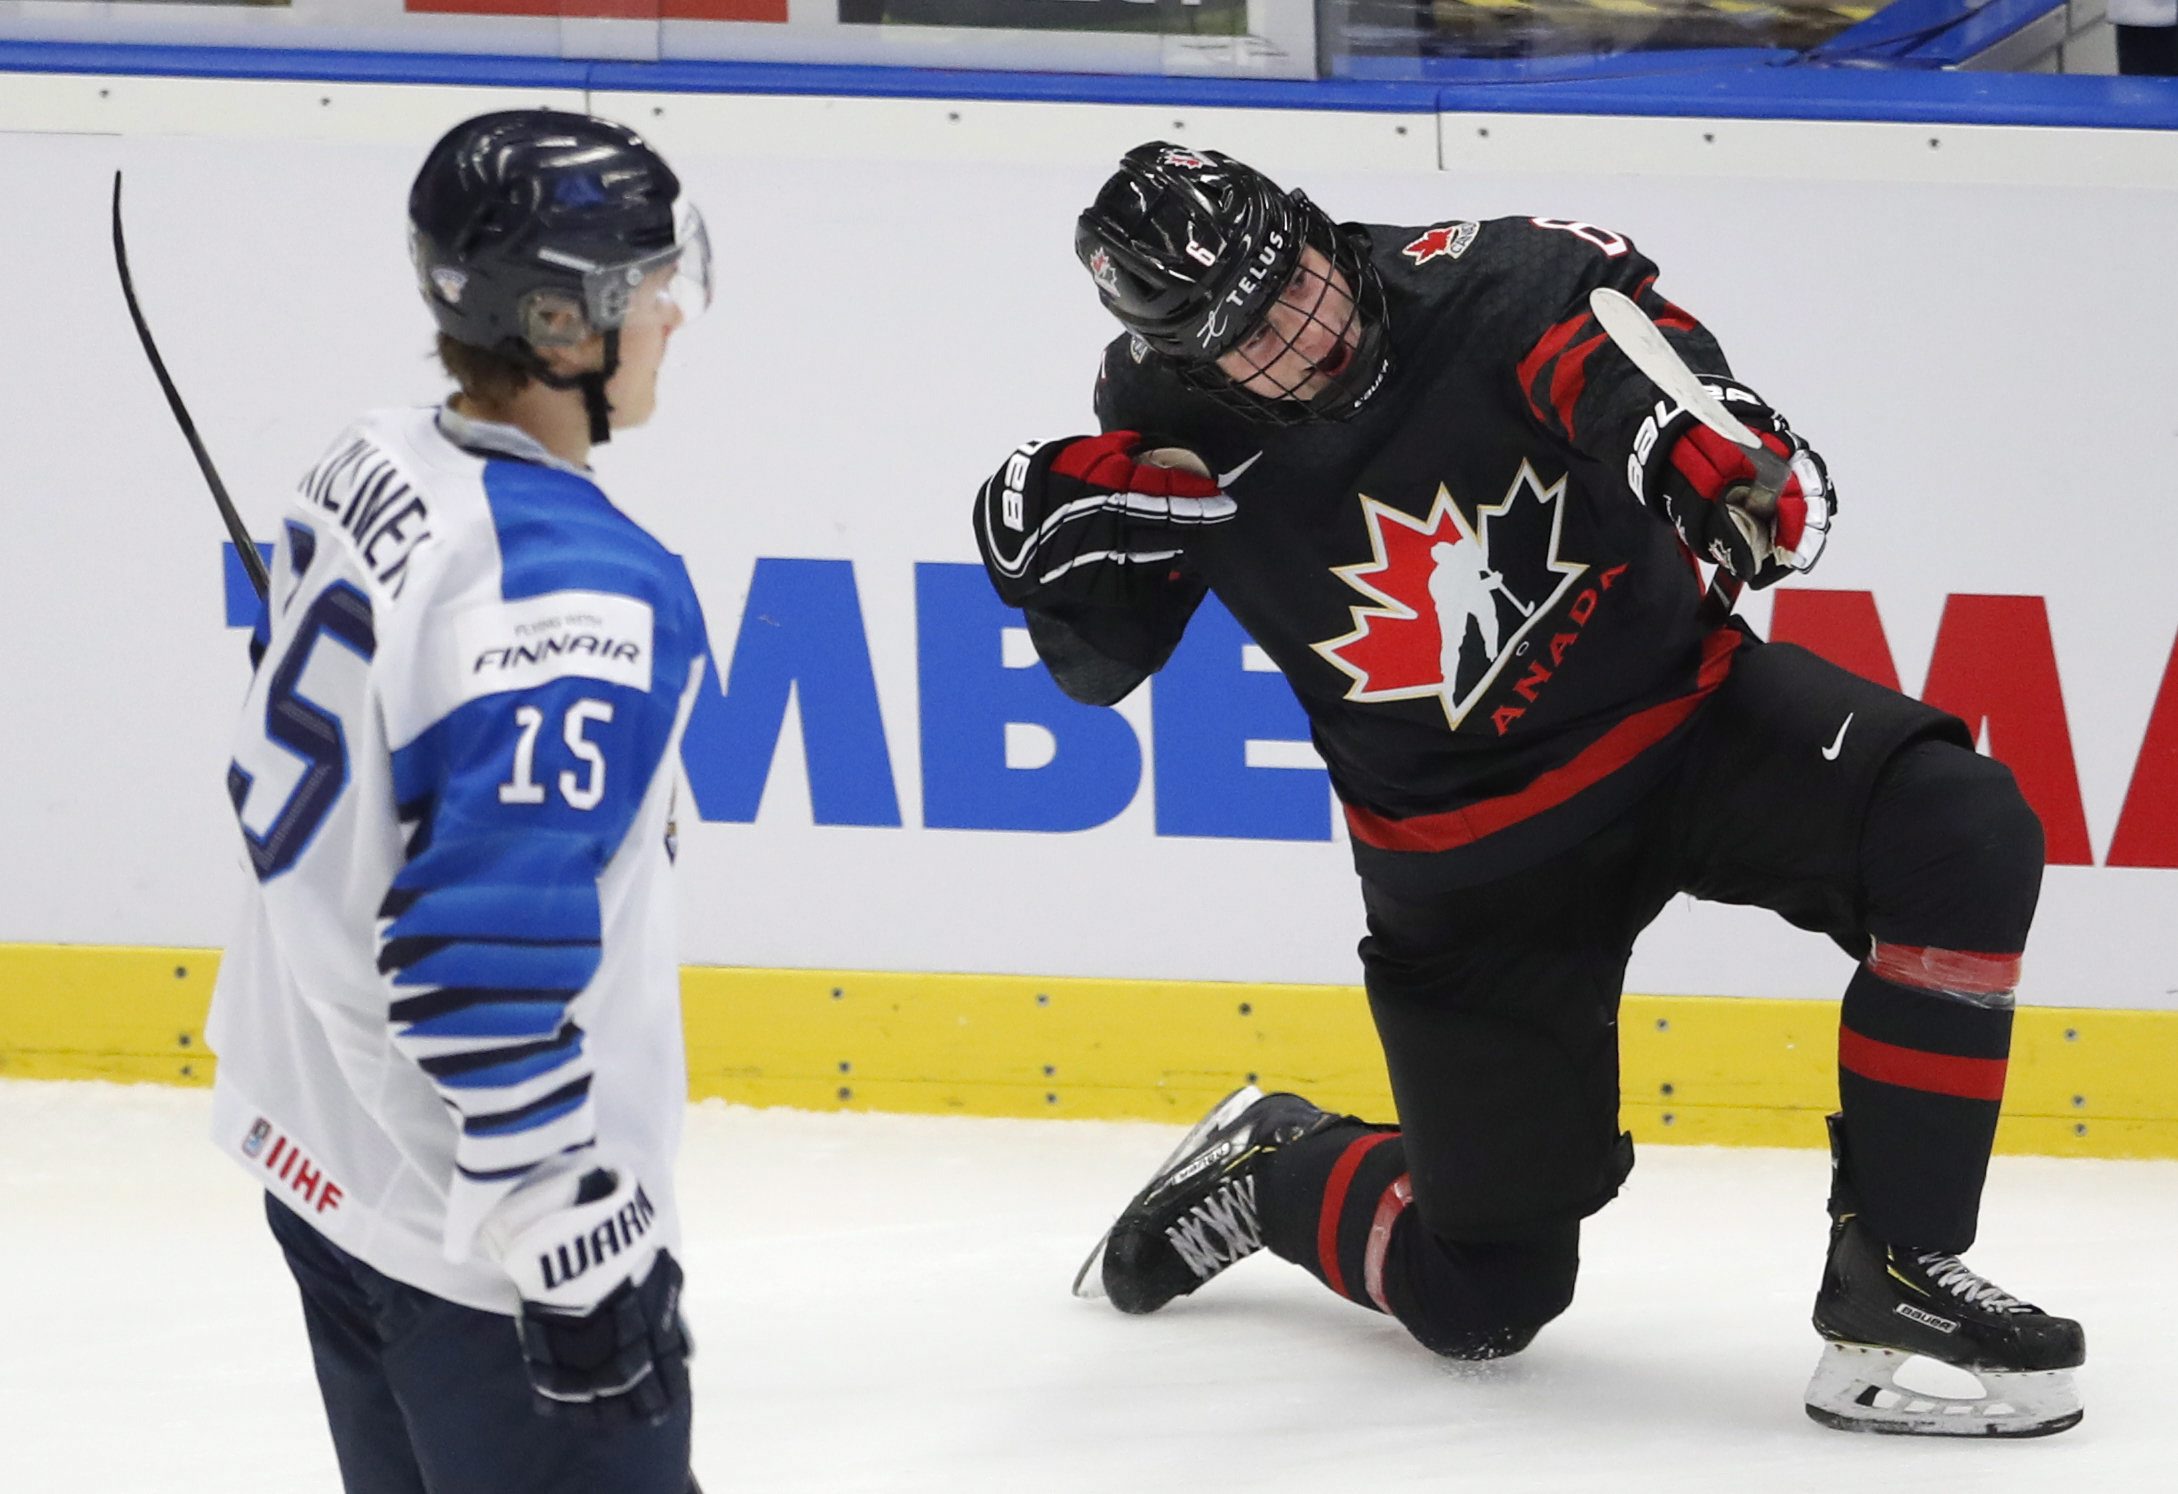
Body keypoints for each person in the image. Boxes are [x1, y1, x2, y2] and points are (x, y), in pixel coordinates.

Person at [973, 142, 2085, 1437]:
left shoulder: (1487, 282)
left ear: (1317, 227)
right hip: (1468, 863)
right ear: (1183, 358)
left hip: (1687, 725)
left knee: (1959, 824)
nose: (1302, 336)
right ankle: (1278, 1164)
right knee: (1482, 1299)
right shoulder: (1171, 427)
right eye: (1249, 338)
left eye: (1298, 286)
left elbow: (1624, 365)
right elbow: (1104, 662)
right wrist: (1041, 561)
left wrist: (1713, 451)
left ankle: (1894, 1263)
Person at [207, 109, 714, 1491]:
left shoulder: (363, 455)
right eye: (643, 284)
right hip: (476, 1245)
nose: (672, 310)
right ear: (562, 321)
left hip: (317, 1151)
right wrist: (570, 1237)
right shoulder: (578, 587)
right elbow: (475, 965)